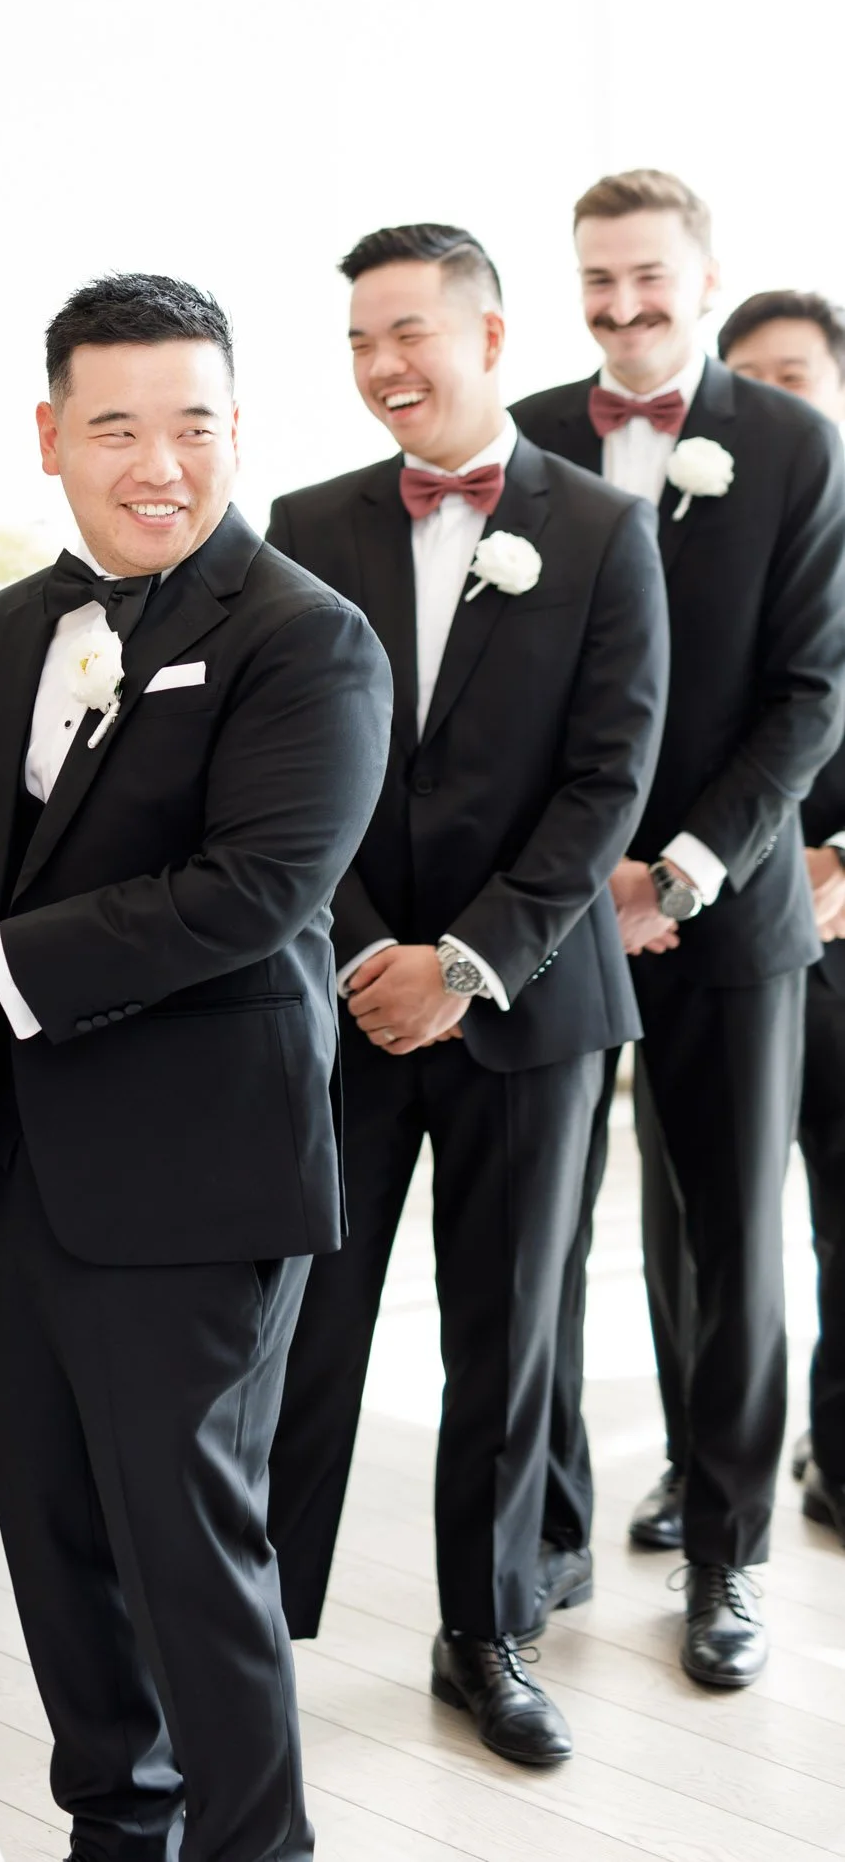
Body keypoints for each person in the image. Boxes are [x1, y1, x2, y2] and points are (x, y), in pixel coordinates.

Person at [0, 274, 390, 1862]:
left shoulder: (306, 639)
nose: (156, 462)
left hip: (198, 1173)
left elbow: (252, 892)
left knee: (188, 1550)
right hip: (24, 1171)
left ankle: (256, 1847)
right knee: (48, 1535)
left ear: (237, 431)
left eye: (192, 425)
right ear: (49, 437)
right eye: (115, 426)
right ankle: (118, 1824)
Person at [264, 224, 666, 1767]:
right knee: (306, 1321)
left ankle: (483, 1634)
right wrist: (369, 952)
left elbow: (603, 780)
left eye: (406, 333)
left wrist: (475, 963)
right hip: (345, 999)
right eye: (356, 341)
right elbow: (293, 773)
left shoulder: (600, 529)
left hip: (531, 1008)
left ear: (489, 338)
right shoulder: (304, 521)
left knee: (507, 1338)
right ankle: (255, 1622)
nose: (379, 367)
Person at [514, 172, 845, 1689]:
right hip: (549, 911)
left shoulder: (790, 443)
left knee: (730, 1245)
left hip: (730, 905)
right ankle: (549, 1530)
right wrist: (571, 875)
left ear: (700, 274)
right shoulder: (515, 434)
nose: (622, 307)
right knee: (543, 1239)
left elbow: (805, 694)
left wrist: (688, 864)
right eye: (595, 281)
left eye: (646, 276)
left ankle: (727, 1562)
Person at [717, 289, 845, 1545]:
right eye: (744, 378)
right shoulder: (708, 537)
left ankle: (840, 1451)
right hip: (725, 928)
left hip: (840, 933)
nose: (768, 401)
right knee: (709, 1230)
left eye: (791, 376)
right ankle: (705, 1468)